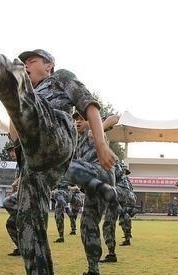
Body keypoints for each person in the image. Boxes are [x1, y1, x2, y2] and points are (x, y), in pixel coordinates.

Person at [0, 9, 117, 275]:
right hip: (36, 166)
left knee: (14, 74)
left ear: (48, 65)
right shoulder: (30, 93)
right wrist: (14, 113)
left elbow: (90, 106)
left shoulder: (60, 78)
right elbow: (16, 137)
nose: (28, 63)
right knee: (27, 224)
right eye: (26, 61)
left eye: (32, 60)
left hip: (58, 133)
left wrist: (101, 143)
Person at [67, 111, 119, 274]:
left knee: (65, 166)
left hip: (102, 171)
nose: (78, 122)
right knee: (87, 225)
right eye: (76, 119)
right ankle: (93, 269)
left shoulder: (97, 128)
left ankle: (105, 189)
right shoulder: (77, 141)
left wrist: (95, 127)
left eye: (82, 119)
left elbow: (115, 118)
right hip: (94, 187)